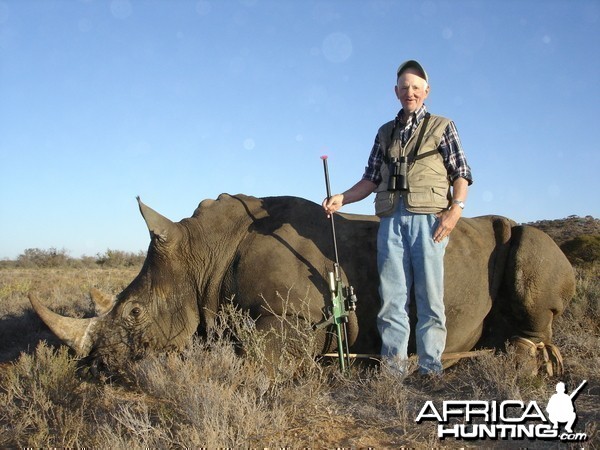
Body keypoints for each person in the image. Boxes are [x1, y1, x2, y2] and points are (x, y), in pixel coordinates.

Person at [322, 60, 472, 375]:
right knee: (392, 300)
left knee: (430, 299)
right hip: (391, 221)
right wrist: (342, 198)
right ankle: (394, 372)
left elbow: (461, 173)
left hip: (428, 220)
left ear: (426, 91)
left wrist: (454, 210)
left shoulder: (443, 126)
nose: (410, 93)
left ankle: (431, 369)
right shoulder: (384, 132)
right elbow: (370, 179)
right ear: (396, 91)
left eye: (416, 87)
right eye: (404, 87)